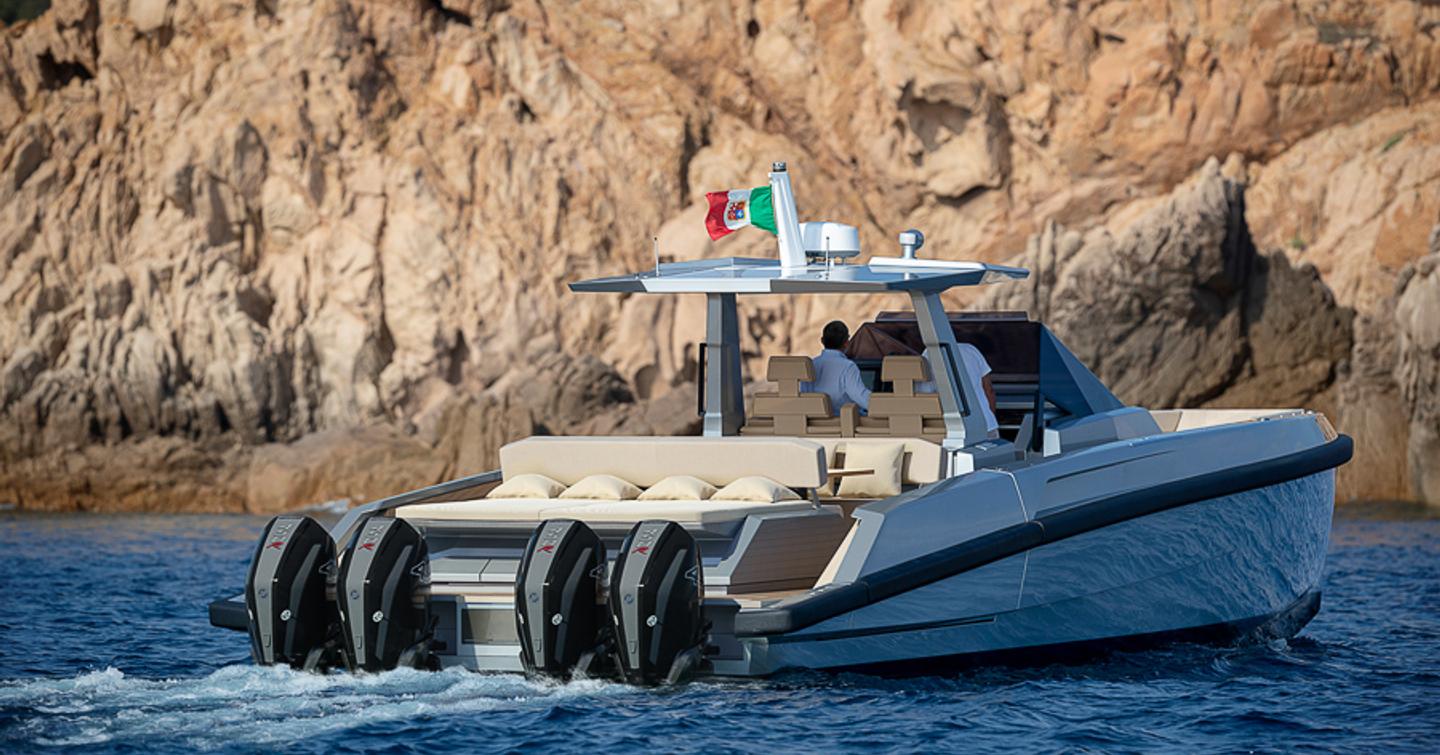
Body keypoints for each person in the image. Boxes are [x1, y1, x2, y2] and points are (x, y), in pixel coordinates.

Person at [917, 345, 1000, 438]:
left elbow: (924, 395)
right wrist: (990, 418)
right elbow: (989, 390)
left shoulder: (929, 353)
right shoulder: (971, 350)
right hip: (984, 424)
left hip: (950, 427)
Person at [802, 321, 871, 415]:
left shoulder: (810, 365)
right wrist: (885, 404)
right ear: (847, 342)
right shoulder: (848, 367)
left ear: (822, 341)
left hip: (814, 423)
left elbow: (804, 396)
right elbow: (861, 397)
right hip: (842, 424)